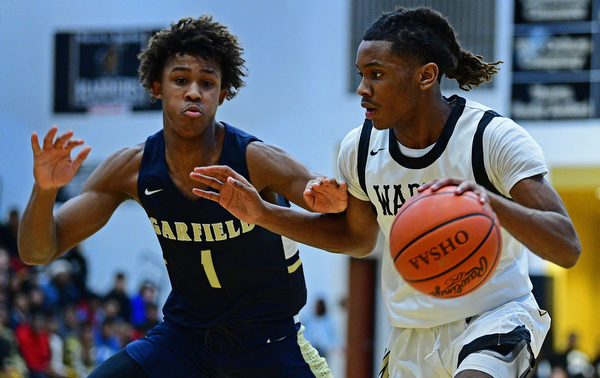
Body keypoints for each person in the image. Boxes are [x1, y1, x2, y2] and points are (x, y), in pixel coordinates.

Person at [191, 6, 582, 378]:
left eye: (376, 74)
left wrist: (488, 202)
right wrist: (261, 213)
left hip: (495, 316)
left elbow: (567, 246)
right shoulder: (359, 149)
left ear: (426, 76)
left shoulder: (490, 138)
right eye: (361, 74)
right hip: (411, 332)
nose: (362, 89)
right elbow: (357, 240)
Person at [18, 15, 335, 378]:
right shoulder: (131, 168)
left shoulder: (256, 159)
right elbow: (37, 251)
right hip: (183, 341)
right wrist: (44, 192)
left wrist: (334, 196)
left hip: (268, 344)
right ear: (156, 87)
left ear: (223, 93)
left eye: (207, 82)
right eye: (180, 80)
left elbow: (330, 207)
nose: (193, 92)